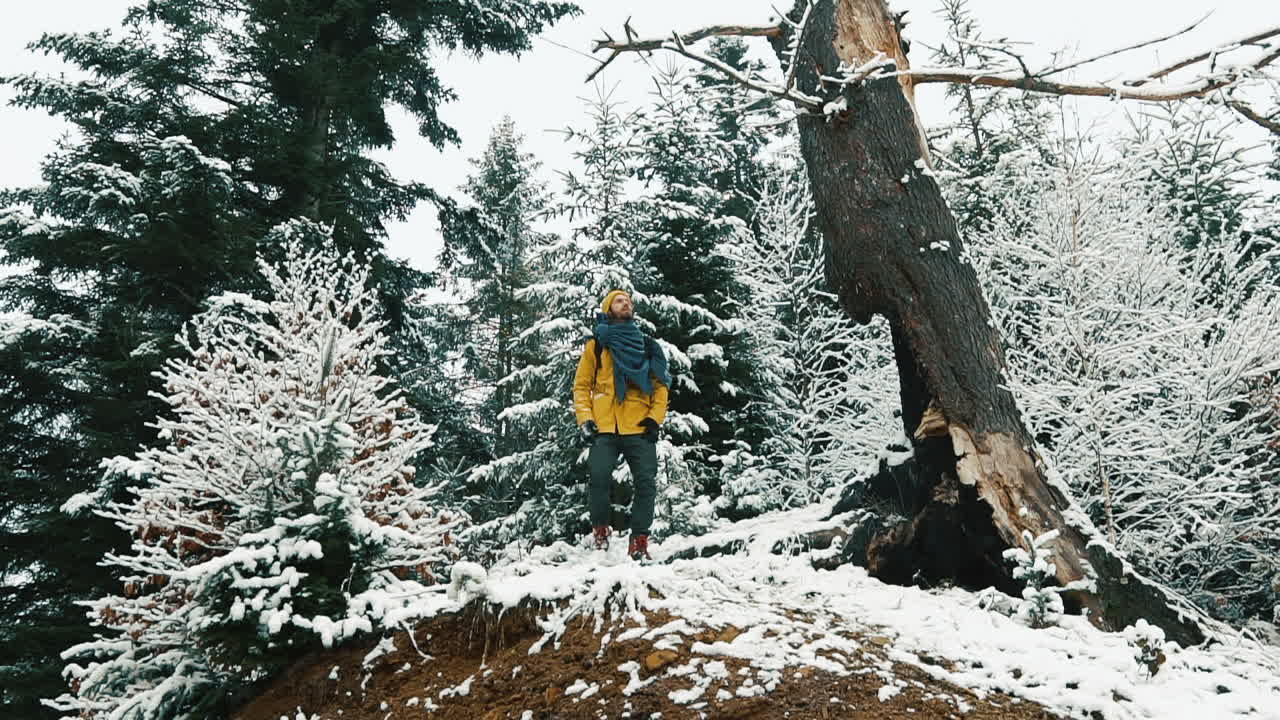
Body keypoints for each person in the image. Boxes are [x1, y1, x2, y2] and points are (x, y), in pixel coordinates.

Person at [573, 290, 670, 561]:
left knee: (646, 484)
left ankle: (639, 540)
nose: (626, 303)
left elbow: (660, 386)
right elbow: (581, 386)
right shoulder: (597, 345)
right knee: (599, 478)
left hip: (639, 425)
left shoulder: (646, 345)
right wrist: (585, 419)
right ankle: (600, 531)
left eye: (628, 301)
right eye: (619, 300)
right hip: (604, 425)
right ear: (608, 308)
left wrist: (654, 419)